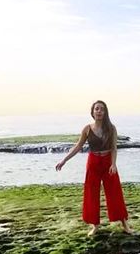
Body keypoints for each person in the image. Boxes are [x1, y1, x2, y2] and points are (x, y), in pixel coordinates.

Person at [56, 100, 133, 236]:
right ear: (92, 112)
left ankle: (124, 223)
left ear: (105, 112)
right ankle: (95, 225)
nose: (99, 111)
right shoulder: (87, 129)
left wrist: (113, 164)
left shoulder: (111, 128)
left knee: (114, 192)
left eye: (102, 109)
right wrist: (64, 160)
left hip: (108, 161)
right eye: (96, 109)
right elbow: (78, 146)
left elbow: (114, 148)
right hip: (93, 162)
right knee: (91, 193)